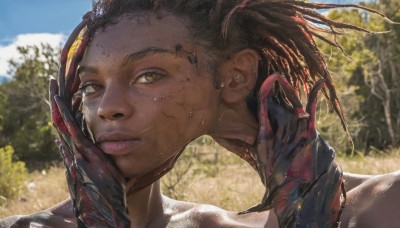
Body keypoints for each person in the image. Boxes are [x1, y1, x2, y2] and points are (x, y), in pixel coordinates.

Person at [1, 0, 399, 227]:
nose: (107, 107)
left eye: (148, 75)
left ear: (236, 75)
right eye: (91, 86)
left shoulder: (384, 204)